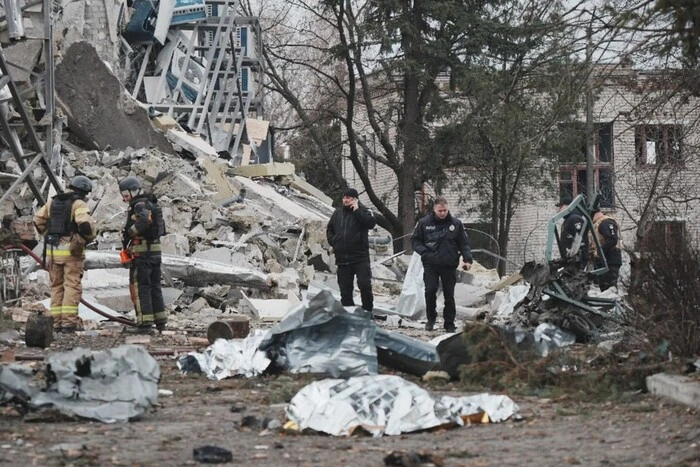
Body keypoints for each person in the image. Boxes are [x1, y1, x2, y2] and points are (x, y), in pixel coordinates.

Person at [33, 176, 96, 333]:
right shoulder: (79, 203)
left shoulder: (53, 201)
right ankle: (68, 324)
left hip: (53, 252)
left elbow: (37, 220)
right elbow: (86, 226)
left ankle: (55, 324)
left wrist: (50, 234)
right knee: (71, 286)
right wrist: (85, 238)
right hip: (72, 254)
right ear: (84, 192)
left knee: (56, 287)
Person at [412, 196, 473, 332]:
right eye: (440, 211)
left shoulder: (456, 224)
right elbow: (415, 241)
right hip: (431, 264)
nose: (443, 213)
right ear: (434, 209)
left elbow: (464, 243)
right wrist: (424, 253)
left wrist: (467, 260)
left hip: (449, 264)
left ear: (448, 208)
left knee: (449, 295)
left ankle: (449, 323)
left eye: (445, 210)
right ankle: (431, 318)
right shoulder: (424, 223)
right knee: (430, 291)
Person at [119, 176, 167, 333]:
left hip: (142, 254)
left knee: (141, 288)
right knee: (155, 287)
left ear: (134, 191)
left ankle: (145, 325)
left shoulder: (139, 205)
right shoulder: (151, 203)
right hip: (154, 252)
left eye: (126, 196)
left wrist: (130, 232)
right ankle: (160, 322)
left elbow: (144, 221)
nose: (126, 200)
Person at [326, 188, 376, 312]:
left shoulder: (365, 211)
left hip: (360, 257)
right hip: (342, 258)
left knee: (364, 285)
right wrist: (334, 241)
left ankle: (367, 311)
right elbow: (330, 229)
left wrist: (357, 211)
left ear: (355, 199)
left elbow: (371, 223)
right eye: (344, 197)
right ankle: (349, 314)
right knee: (345, 290)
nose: (345, 200)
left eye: (349, 198)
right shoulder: (337, 213)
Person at [588, 208, 622, 291]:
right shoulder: (598, 224)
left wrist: (600, 252)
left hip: (609, 261)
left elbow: (612, 239)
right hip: (604, 261)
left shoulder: (605, 222)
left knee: (609, 290)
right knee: (604, 289)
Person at [556, 197, 587, 263]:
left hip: (576, 260)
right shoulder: (568, 219)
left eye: (561, 207)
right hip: (570, 259)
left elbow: (581, 239)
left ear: (567, 206)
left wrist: (576, 255)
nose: (559, 210)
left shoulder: (575, 218)